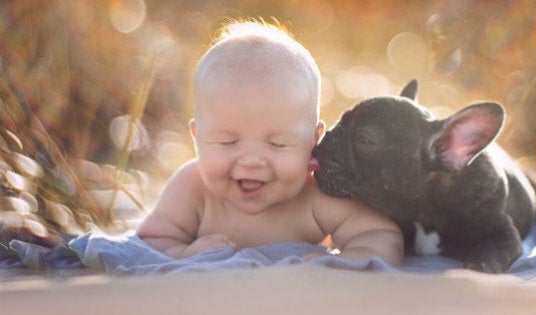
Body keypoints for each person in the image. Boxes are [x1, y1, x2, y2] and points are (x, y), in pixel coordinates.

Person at [136, 20, 403, 265]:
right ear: (197, 137)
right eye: (227, 142)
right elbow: (150, 243)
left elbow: (379, 233)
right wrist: (184, 253)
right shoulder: (192, 188)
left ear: (313, 141)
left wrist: (349, 260)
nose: (251, 160)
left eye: (277, 144)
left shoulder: (315, 195)